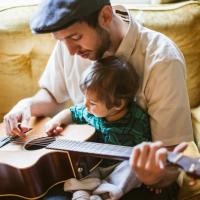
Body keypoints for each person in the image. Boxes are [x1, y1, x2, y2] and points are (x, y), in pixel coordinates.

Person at [3, 0, 193, 199]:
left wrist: (155, 177)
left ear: (105, 16)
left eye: (75, 37)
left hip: (137, 180)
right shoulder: (71, 44)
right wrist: (25, 105)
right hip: (83, 168)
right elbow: (52, 95)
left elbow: (169, 159)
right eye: (61, 40)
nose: (70, 51)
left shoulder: (163, 60)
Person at [45, 55, 151, 200]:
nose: (86, 105)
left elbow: (147, 149)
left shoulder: (137, 119)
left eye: (93, 102)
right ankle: (81, 194)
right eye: (85, 98)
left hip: (119, 168)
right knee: (80, 168)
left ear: (118, 104)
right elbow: (70, 112)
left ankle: (105, 193)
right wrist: (55, 122)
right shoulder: (88, 112)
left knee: (133, 167)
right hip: (94, 165)